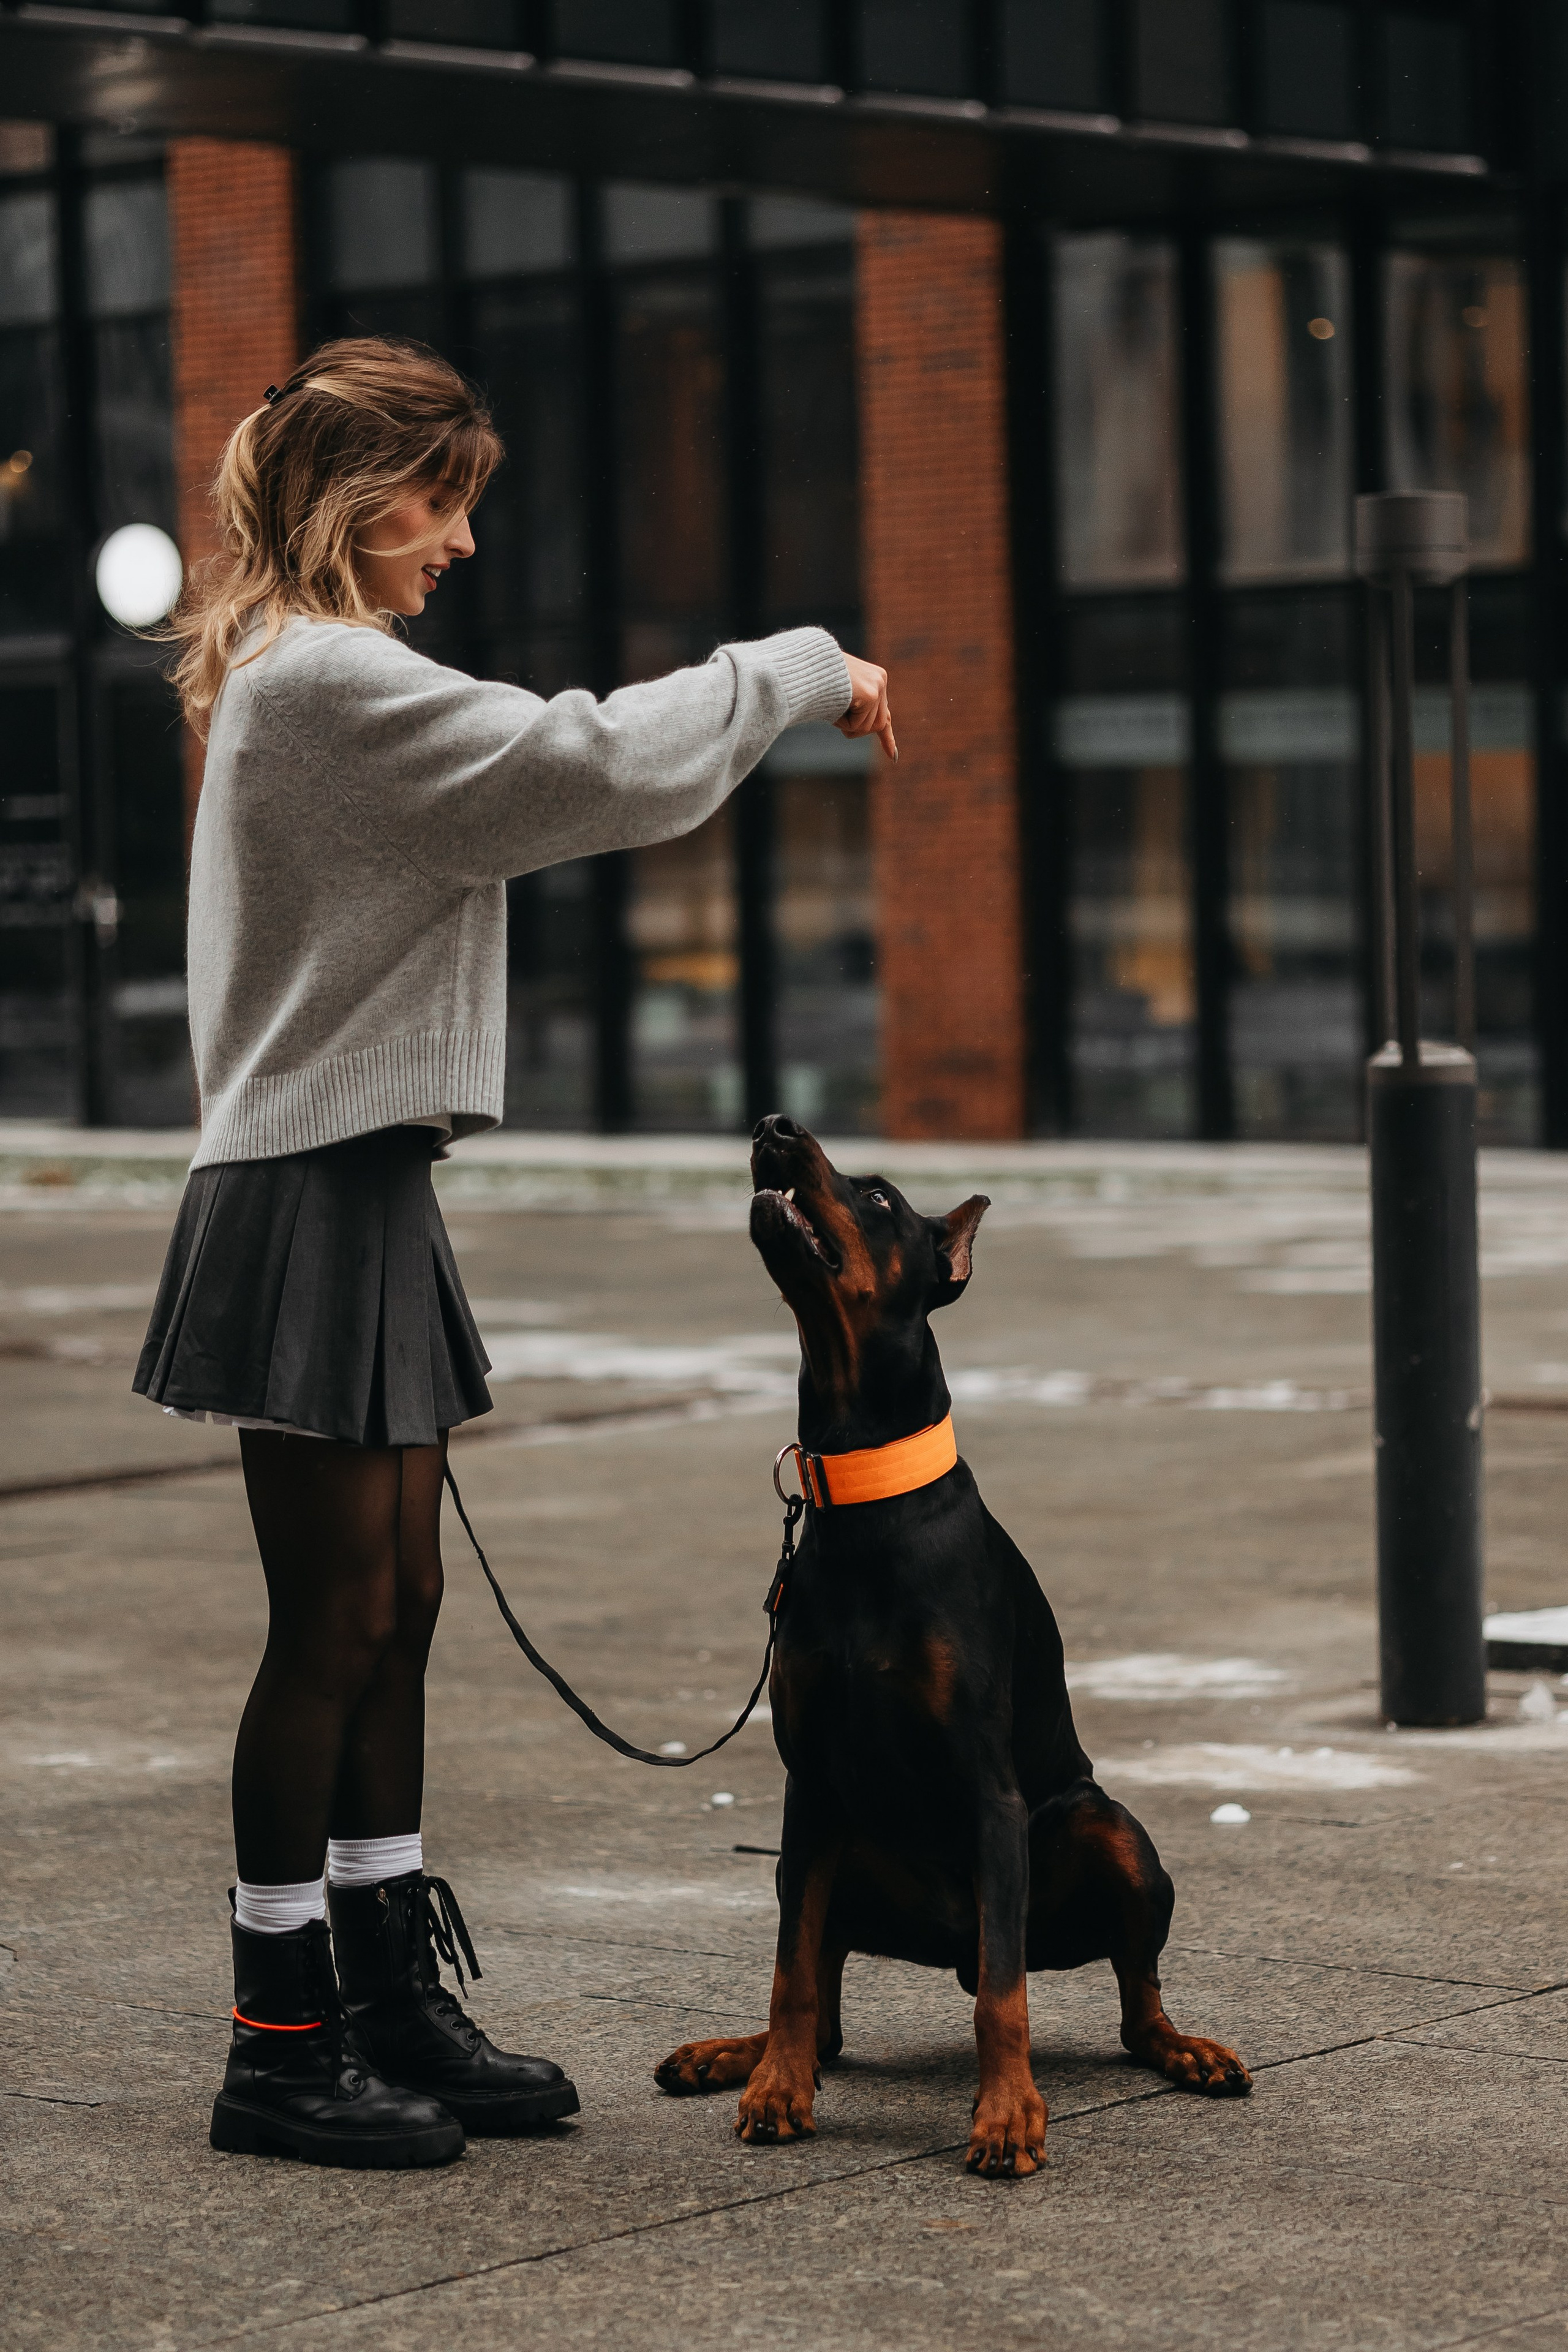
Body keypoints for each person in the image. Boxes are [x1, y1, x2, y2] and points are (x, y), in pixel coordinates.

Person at [134, 336, 894, 2170]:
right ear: (352, 500)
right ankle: (278, 2037)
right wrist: (802, 662)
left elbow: (557, 778)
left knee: (399, 1610)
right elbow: (591, 763)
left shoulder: (329, 676)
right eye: (442, 500)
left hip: (362, 1181)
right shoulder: (324, 683)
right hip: (305, 1188)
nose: (461, 541)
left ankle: (387, 1991)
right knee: (329, 1626)